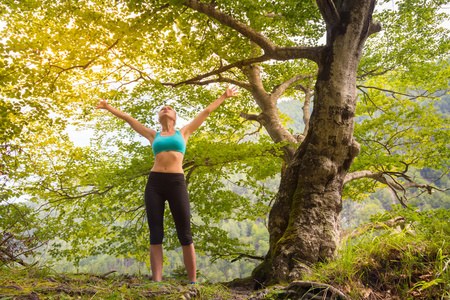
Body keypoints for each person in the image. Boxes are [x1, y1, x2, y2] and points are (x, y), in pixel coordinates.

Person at [95, 86, 238, 284]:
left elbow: (206, 112)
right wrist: (108, 107)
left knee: (184, 233)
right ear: (159, 117)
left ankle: (193, 282)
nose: (165, 108)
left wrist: (224, 96)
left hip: (176, 183)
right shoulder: (154, 135)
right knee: (156, 232)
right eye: (162, 108)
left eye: (169, 108)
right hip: (154, 184)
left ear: (174, 117)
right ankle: (157, 282)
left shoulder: (184, 132)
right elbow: (130, 120)